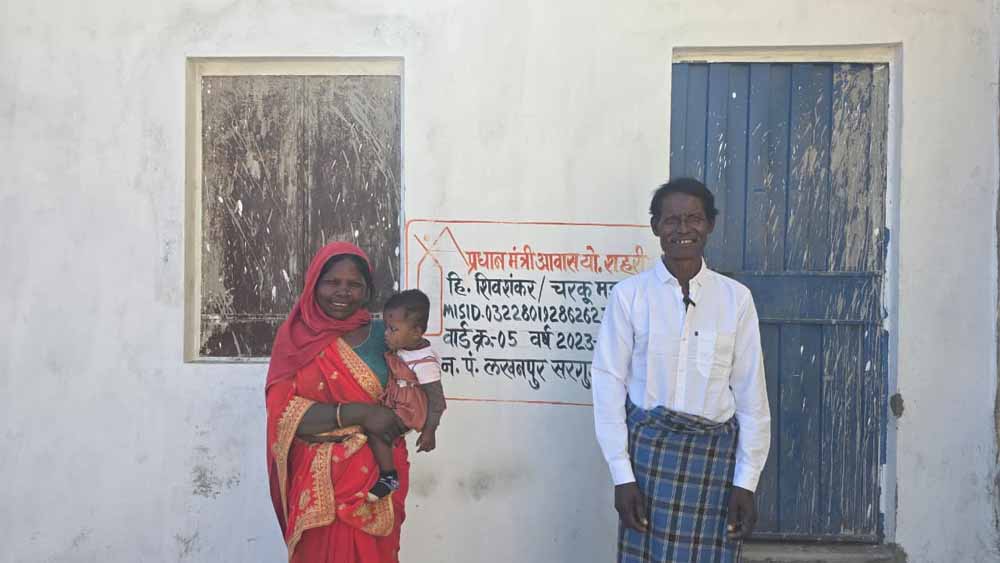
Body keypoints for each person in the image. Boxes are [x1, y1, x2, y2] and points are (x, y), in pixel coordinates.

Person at [592, 178, 771, 563]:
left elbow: (751, 397)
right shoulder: (629, 297)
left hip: (714, 468)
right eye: (671, 220)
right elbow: (608, 386)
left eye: (694, 219)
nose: (683, 229)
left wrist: (746, 482)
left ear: (710, 224)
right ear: (655, 226)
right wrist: (622, 476)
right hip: (648, 464)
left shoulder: (736, 300)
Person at [265, 241, 411, 563]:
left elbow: (409, 396)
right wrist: (361, 413)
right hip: (317, 481)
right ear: (314, 284)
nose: (342, 292)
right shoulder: (294, 339)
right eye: (332, 282)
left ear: (366, 290)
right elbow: (283, 414)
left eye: (354, 284)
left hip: (375, 477)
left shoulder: (386, 337)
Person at [366, 289, 447, 501]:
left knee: (377, 430)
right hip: (397, 402)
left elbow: (437, 402)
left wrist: (429, 432)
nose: (386, 334)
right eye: (386, 327)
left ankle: (389, 477)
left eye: (393, 329)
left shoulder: (425, 362)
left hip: (410, 410)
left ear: (416, 332)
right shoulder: (404, 347)